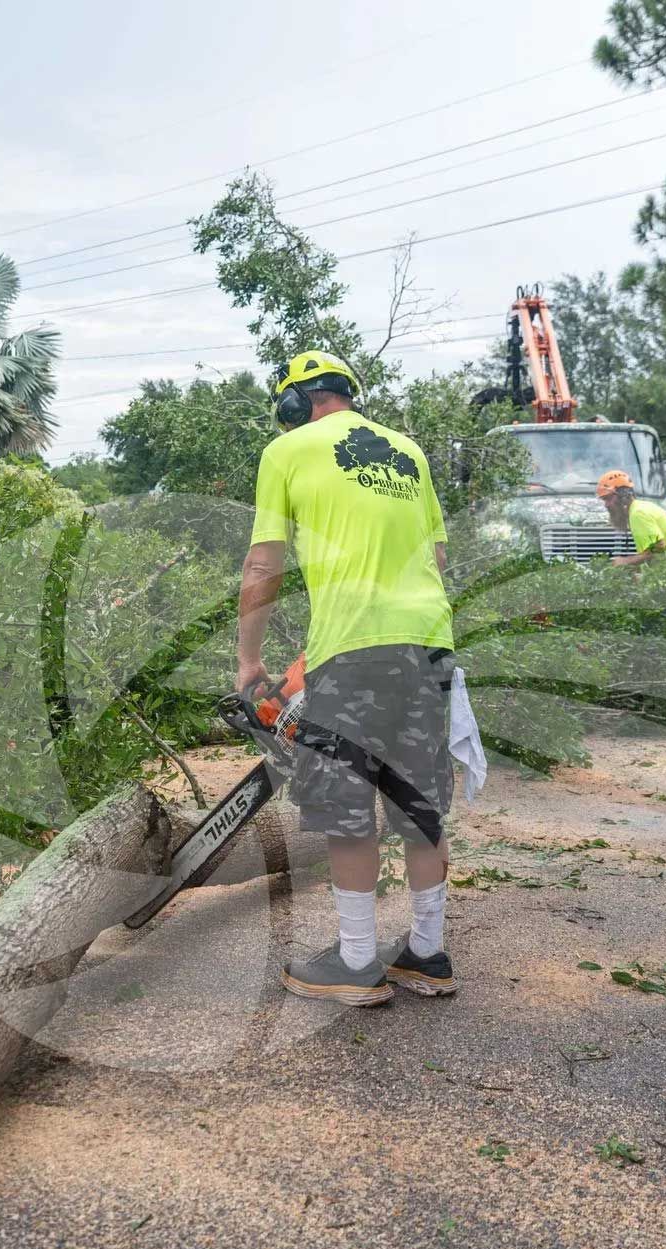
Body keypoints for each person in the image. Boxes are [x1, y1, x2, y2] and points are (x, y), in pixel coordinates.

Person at [238, 350, 459, 1006]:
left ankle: (358, 961)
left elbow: (263, 566)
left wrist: (250, 662)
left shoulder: (289, 449)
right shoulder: (409, 453)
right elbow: (438, 555)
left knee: (345, 805)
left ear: (294, 404)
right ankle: (427, 954)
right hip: (428, 644)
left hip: (352, 648)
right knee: (420, 805)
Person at [597, 469, 666, 567]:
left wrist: (626, 561)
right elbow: (651, 554)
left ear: (623, 496)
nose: (606, 505)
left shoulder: (638, 514)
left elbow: (659, 547)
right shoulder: (641, 508)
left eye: (608, 499)